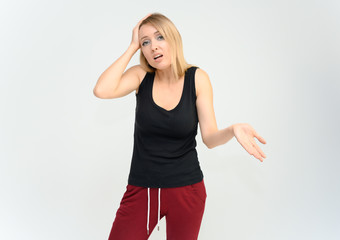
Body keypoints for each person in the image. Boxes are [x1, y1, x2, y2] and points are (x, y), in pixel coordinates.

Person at [93, 12, 267, 240]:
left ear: (173, 39)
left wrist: (232, 130)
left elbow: (210, 138)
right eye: (145, 42)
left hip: (187, 190)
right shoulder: (140, 76)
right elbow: (101, 90)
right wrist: (131, 46)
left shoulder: (197, 78)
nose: (153, 47)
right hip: (142, 190)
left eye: (159, 37)